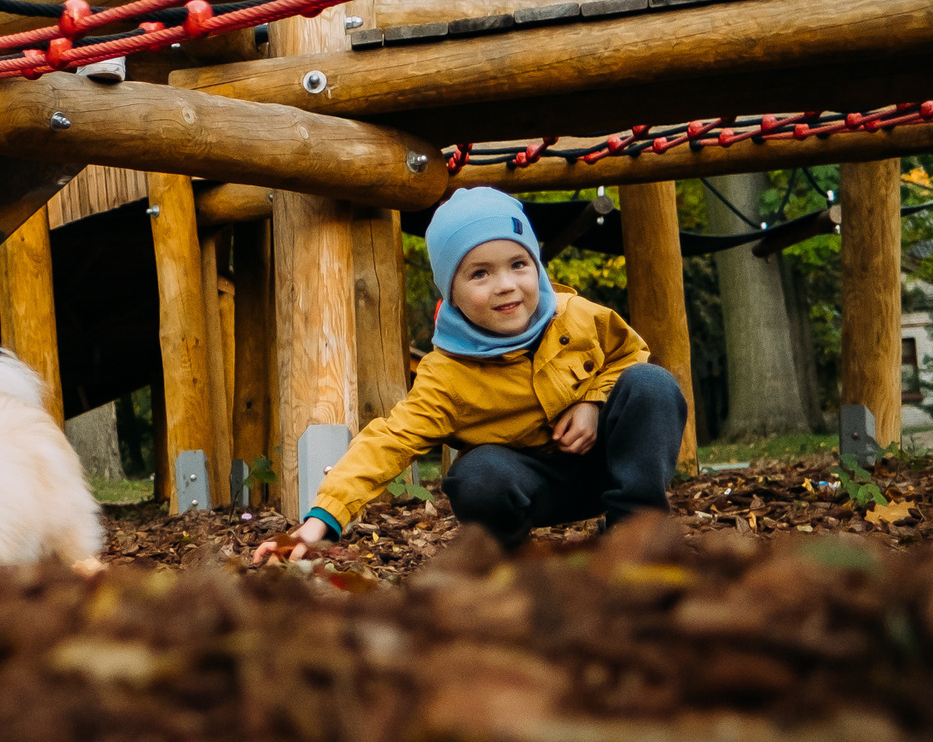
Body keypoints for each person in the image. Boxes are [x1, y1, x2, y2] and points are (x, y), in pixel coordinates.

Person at [265, 188, 685, 556]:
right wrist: (322, 518)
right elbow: (389, 441)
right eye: (480, 273)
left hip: (610, 469)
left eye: (518, 264)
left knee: (652, 383)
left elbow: (630, 355)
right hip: (529, 487)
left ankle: (636, 536)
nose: (505, 285)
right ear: (451, 291)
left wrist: (593, 401)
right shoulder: (447, 373)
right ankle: (514, 561)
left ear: (536, 265)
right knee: (476, 475)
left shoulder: (577, 316)